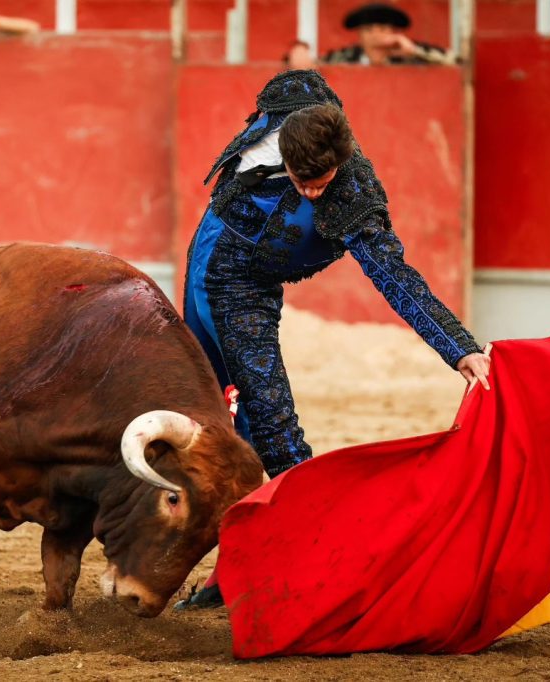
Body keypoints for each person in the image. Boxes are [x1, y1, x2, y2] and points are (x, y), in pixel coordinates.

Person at [176, 70, 490, 609]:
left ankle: (302, 561)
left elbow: (395, 276)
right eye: (305, 179)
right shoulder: (291, 108)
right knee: (194, 415)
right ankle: (215, 564)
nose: (316, 188)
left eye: (324, 178)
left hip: (243, 290)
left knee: (271, 428)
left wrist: (458, 346)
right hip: (203, 262)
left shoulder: (353, 193)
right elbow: (296, 83)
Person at [321, 3, 454, 65]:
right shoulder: (346, 57)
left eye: (383, 29)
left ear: (394, 33)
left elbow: (455, 61)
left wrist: (414, 51)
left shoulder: (407, 55)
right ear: (360, 36)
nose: (376, 35)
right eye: (368, 29)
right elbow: (313, 67)